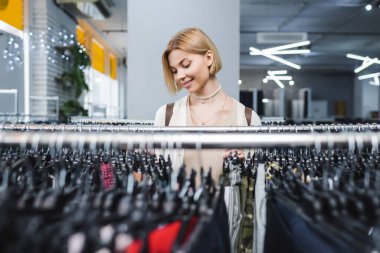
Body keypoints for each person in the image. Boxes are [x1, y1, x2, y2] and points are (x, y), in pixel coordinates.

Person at [154, 27, 261, 184]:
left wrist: (246, 163)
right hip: (180, 209)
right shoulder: (165, 116)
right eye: (174, 70)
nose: (179, 76)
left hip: (227, 209)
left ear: (209, 58)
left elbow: (257, 184)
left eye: (186, 64)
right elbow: (159, 181)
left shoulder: (248, 119)